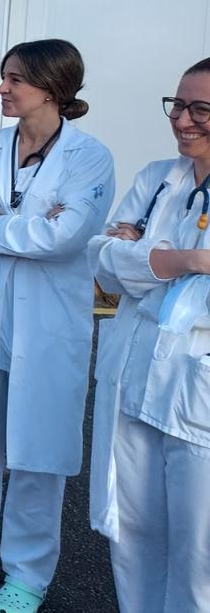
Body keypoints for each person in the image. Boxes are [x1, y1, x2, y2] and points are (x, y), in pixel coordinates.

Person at [0, 39, 114, 613]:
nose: (2, 88)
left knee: (37, 450)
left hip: (47, 324)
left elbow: (64, 237)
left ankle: (29, 573)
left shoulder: (89, 158)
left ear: (52, 87)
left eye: (14, 79)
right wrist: (19, 225)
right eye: (4, 76)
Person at [87, 57, 210, 613]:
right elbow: (103, 262)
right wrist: (188, 261)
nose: (182, 120)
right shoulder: (159, 177)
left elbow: (126, 262)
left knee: (198, 554)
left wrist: (141, 255)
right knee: (133, 534)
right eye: (177, 105)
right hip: (134, 379)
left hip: (194, 397)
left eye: (200, 109)